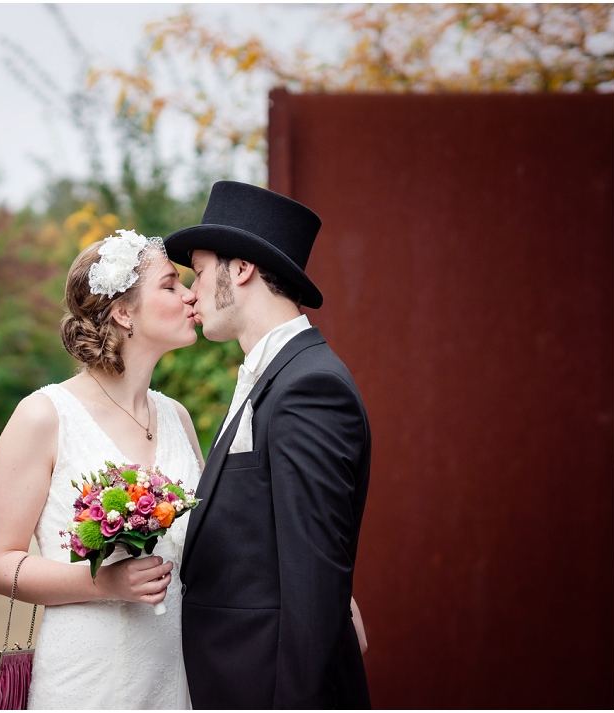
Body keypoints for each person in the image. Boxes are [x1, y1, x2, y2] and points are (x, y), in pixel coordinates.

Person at [164, 181, 373, 708]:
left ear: (242, 269)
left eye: (201, 269)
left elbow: (313, 581)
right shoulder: (274, 376)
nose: (193, 290)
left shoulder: (309, 387)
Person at [0, 230, 204, 709]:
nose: (191, 295)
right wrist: (106, 582)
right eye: (170, 285)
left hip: (171, 676)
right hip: (86, 678)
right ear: (123, 312)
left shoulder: (177, 417)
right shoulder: (44, 415)